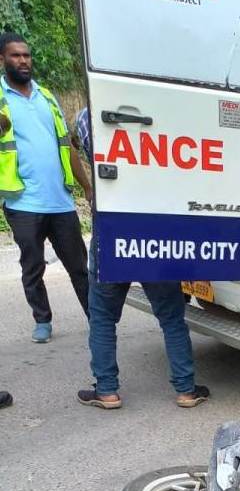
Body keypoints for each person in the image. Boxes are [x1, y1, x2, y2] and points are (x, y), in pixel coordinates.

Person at [73, 107, 210, 409]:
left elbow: (85, 148)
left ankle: (107, 391)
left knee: (103, 317)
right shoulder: (161, 112)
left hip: (112, 229)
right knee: (171, 317)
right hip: (155, 231)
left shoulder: (89, 114)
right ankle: (186, 390)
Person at [0, 33, 91, 343]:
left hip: (60, 201)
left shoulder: (47, 97)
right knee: (32, 267)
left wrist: (87, 187)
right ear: (3, 60)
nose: (23, 61)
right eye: (15, 56)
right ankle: (42, 320)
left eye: (26, 55)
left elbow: (67, 147)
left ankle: (97, 318)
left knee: (79, 266)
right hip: (22, 202)